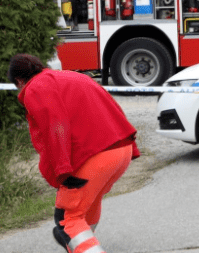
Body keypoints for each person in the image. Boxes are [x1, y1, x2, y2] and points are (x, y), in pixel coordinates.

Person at [7, 54, 140, 253]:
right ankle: (81, 246)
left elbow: (55, 125)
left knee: (67, 220)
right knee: (85, 211)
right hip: (121, 150)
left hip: (95, 156)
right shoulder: (73, 77)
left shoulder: (36, 87)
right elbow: (111, 106)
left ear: (19, 81)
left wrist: (63, 171)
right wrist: (132, 147)